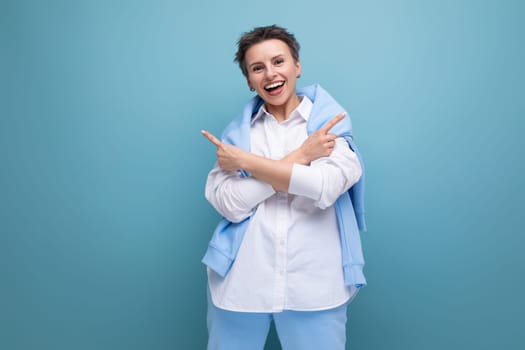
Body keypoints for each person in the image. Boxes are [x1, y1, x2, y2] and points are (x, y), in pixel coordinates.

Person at [201, 24, 366, 350]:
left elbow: (323, 186)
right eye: (257, 68)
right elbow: (230, 204)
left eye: (279, 62)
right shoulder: (236, 137)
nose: (270, 74)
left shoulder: (330, 126)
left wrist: (248, 164)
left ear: (297, 66)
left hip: (315, 285)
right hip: (240, 284)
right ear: (249, 80)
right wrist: (303, 156)